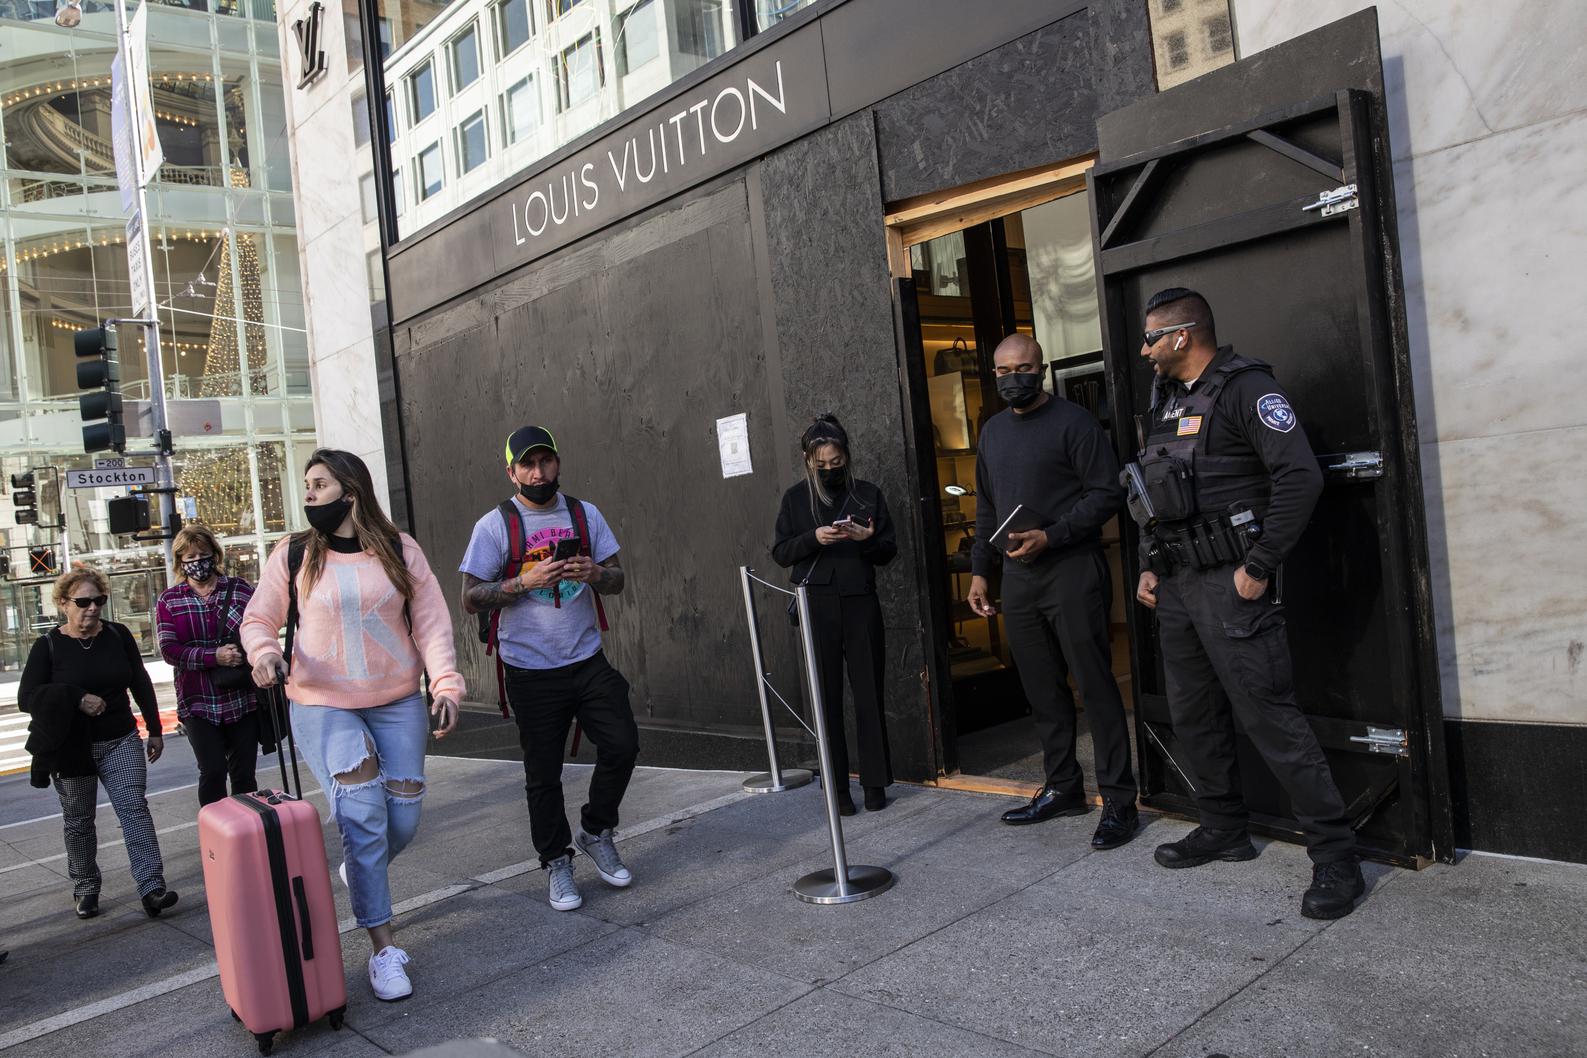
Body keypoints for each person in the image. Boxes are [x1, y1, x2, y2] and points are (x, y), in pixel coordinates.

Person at [1128, 287, 1362, 919]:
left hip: (1232, 584)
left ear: (1181, 336)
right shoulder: (1167, 399)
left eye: (1151, 337)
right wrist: (1152, 566)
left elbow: (1301, 477)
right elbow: (1158, 491)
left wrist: (1259, 568)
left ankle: (1336, 856)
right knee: (1195, 714)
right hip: (1179, 585)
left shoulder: (1246, 389)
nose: (1144, 349)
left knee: (1272, 720)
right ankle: (1223, 827)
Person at [240, 449, 463, 1002]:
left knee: (403, 822)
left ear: (351, 492)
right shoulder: (294, 552)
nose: (309, 494)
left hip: (395, 700)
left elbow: (431, 621)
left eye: (319, 485)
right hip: (321, 702)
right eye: (307, 486)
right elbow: (259, 617)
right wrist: (264, 652)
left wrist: (446, 684)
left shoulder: (398, 548)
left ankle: (361, 869)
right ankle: (383, 950)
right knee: (363, 815)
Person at [967, 333, 1140, 849]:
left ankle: (1119, 801)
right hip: (1018, 579)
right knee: (1042, 689)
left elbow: (1108, 492)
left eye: (1021, 368)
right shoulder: (993, 432)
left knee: (1095, 685)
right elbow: (985, 507)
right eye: (1001, 371)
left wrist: (1054, 533)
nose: (1011, 378)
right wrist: (981, 571)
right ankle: (1063, 787)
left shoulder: (1075, 423)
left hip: (1070, 568)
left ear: (1039, 369)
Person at [460, 426, 634, 913]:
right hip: (530, 670)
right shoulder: (495, 525)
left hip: (587, 658)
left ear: (558, 463)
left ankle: (596, 830)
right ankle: (556, 862)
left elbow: (617, 578)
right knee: (543, 773)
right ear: (511, 471)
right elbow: (471, 597)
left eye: (546, 461)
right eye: (528, 464)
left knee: (623, 743)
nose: (538, 472)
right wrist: (523, 581)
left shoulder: (584, 514)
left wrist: (596, 574)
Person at [18, 567, 180, 920]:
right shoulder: (48, 646)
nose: (92, 608)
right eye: (83, 601)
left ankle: (151, 887)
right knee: (78, 821)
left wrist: (154, 729)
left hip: (120, 738)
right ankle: (86, 887)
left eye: (99, 600)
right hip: (72, 747)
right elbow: (26, 697)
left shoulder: (118, 635)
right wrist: (75, 697)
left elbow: (140, 682)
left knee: (134, 809)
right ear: (63, 604)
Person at [772, 414, 898, 814]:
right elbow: (779, 552)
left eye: (835, 462)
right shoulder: (795, 498)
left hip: (861, 599)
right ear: (808, 462)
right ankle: (837, 789)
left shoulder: (867, 494)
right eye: (820, 464)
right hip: (817, 604)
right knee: (825, 699)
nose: (829, 470)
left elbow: (888, 552)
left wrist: (866, 539)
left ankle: (875, 785)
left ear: (847, 456)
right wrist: (814, 538)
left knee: (868, 695)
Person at [156, 523, 258, 807]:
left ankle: (248, 834)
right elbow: (169, 650)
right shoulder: (170, 600)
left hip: (241, 698)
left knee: (244, 775)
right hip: (198, 701)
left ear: (215, 555)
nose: (198, 563)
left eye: (203, 554)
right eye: (190, 558)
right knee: (212, 771)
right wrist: (214, 656)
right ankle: (216, 834)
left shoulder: (239, 590)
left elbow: (259, 629)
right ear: (180, 563)